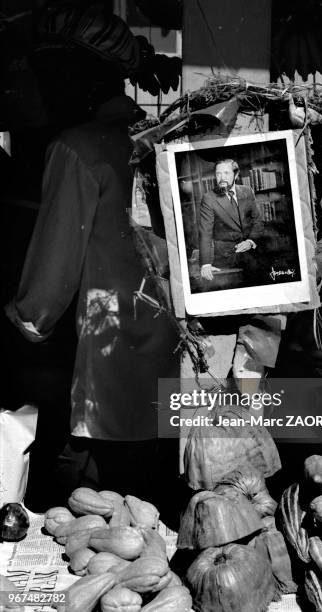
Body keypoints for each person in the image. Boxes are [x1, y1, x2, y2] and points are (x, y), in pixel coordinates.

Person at [5, 50, 179, 507]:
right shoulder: (147, 140)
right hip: (165, 352)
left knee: (97, 503)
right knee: (147, 500)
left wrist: (27, 320)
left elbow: (52, 266)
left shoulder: (76, 149)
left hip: (106, 360)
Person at [199, 159, 264, 282]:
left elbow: (258, 222)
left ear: (236, 175)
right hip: (225, 259)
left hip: (251, 254)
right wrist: (206, 264)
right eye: (218, 174)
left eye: (226, 173)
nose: (221, 177)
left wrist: (250, 241)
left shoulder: (247, 191)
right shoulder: (209, 198)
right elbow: (205, 232)